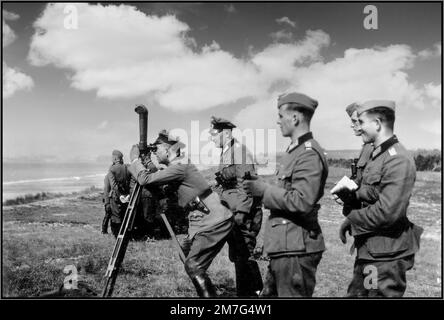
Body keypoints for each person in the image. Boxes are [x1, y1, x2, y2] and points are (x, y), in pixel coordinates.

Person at [128, 131, 234, 297]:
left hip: (212, 220)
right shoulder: (178, 166)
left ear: (168, 148)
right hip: (201, 220)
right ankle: (206, 287)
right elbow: (159, 177)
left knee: (193, 265)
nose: (155, 152)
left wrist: (135, 160)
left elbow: (146, 180)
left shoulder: (180, 166)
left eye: (157, 148)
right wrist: (147, 162)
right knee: (185, 253)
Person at [243, 92, 328, 297]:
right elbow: (288, 190)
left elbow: (302, 200)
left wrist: (264, 191)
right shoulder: (294, 151)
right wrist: (264, 186)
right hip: (286, 245)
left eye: (281, 116)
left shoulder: (308, 153)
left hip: (296, 249)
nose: (277, 121)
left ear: (295, 118)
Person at [336, 100, 423, 297]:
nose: (358, 127)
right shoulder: (378, 155)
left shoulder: (397, 158)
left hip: (386, 257)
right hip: (373, 251)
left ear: (376, 123)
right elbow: (375, 192)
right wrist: (353, 195)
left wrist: (351, 214)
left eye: (362, 122)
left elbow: (387, 213)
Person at [209, 116, 263, 297]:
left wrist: (241, 212)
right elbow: (222, 183)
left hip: (244, 214)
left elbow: (246, 185)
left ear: (225, 133)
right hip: (233, 211)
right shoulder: (227, 151)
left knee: (243, 255)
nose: (211, 138)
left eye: (214, 134)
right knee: (239, 255)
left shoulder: (239, 151)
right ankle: (255, 290)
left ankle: (249, 296)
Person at [102, 150, 132, 237]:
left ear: (115, 158)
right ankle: (123, 233)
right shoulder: (126, 167)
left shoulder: (111, 170)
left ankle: (116, 234)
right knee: (123, 215)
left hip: (116, 197)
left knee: (114, 217)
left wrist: (107, 202)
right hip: (126, 196)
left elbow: (108, 188)